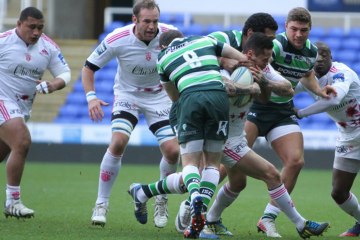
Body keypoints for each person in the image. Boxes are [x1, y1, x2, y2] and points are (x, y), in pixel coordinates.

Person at [129, 32, 330, 240]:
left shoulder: (263, 68)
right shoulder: (224, 66)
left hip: (234, 136)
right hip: (213, 128)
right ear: (250, 54)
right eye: (265, 59)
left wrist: (265, 83)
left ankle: (144, 191)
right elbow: (225, 87)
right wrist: (251, 87)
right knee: (243, 173)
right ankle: (203, 223)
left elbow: (288, 89)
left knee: (248, 178)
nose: (268, 63)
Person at [174, 12, 295, 235]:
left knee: (237, 182)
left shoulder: (260, 57)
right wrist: (229, 65)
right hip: (204, 112)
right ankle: (193, 213)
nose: (273, 44)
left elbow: (286, 89)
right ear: (250, 35)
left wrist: (263, 81)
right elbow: (199, 57)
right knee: (201, 169)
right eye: (268, 37)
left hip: (232, 123)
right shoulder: (223, 38)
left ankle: (204, 215)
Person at [128, 29, 254, 239]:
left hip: (188, 102)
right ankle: (190, 210)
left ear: (162, 46)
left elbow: (174, 96)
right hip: (218, 98)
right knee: (212, 164)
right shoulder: (205, 40)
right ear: (183, 37)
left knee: (191, 165)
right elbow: (240, 58)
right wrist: (234, 65)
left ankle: (192, 203)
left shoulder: (163, 59)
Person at [82, 0, 180, 228]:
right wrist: (91, 97)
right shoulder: (117, 38)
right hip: (128, 96)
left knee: (173, 151)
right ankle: (101, 203)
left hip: (160, 97)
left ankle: (161, 200)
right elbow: (88, 68)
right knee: (118, 143)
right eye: (146, 21)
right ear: (134, 20)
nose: (152, 26)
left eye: (155, 21)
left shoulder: (170, 37)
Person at [243, 8, 336, 237]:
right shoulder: (274, 46)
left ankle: (268, 218)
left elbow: (307, 74)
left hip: (282, 111)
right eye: (294, 29)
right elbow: (260, 64)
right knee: (230, 161)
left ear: (309, 30)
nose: (298, 34)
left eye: (303, 30)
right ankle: (200, 209)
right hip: (256, 106)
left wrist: (319, 91)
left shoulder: (312, 52)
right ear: (286, 27)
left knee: (295, 161)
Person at [0, 7, 71, 218]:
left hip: (22, 108)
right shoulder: (3, 41)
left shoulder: (48, 47)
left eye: (40, 27)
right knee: (22, 141)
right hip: (2, 99)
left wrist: (53, 85)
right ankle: (13, 201)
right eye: (31, 27)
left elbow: (65, 73)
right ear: (19, 24)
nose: (36, 32)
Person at [295, 42, 360, 237]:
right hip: (347, 138)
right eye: (317, 55)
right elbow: (286, 89)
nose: (321, 58)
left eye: (325, 55)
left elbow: (332, 99)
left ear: (331, 57)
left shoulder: (341, 72)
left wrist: (301, 113)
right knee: (338, 192)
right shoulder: (308, 78)